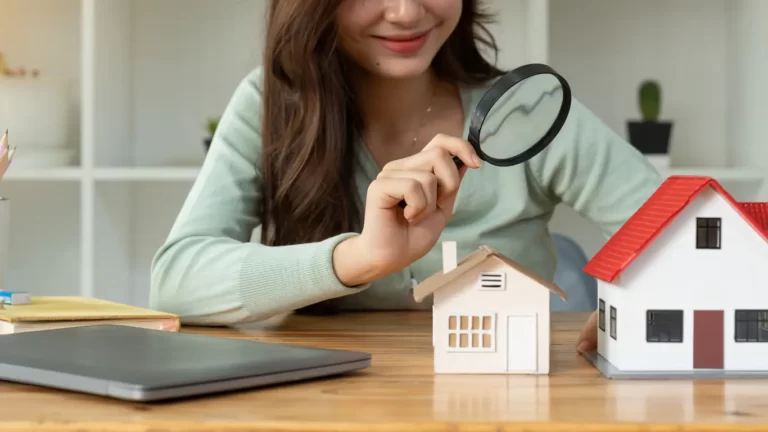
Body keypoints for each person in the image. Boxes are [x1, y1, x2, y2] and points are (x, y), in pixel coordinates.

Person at [149, 0, 662, 354]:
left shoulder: (524, 111)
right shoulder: (271, 103)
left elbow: (674, 232)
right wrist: (361, 257)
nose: (406, 12)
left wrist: (642, 294)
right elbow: (176, 281)